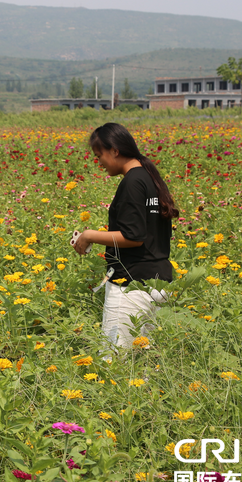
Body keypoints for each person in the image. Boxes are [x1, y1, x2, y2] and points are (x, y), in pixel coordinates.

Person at [72, 122, 179, 350]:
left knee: (114, 362)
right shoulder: (149, 178)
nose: (98, 162)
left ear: (115, 150)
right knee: (147, 366)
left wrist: (89, 235)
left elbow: (134, 236)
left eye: (99, 155)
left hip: (131, 286)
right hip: (158, 282)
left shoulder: (132, 182)